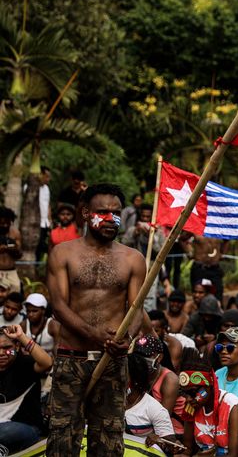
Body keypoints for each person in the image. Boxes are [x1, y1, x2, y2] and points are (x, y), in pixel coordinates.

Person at [46, 183, 145, 456]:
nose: (111, 218)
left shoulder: (133, 259)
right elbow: (59, 308)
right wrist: (99, 336)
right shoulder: (63, 253)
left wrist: (127, 338)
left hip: (112, 363)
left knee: (109, 441)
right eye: (102, 212)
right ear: (86, 213)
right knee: (62, 439)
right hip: (72, 359)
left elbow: (137, 309)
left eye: (116, 213)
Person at [179, 351, 238, 455]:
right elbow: (187, 450)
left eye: (193, 392)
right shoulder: (191, 407)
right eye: (184, 393)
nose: (188, 399)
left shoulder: (233, 408)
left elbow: (234, 455)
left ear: (209, 387)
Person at [0, 324, 53, 453]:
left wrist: (21, 337)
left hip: (26, 428)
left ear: (17, 347)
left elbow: (47, 362)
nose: (1, 353)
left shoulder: (25, 364)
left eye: (7, 348)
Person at [124, 353, 177, 452]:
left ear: (135, 380)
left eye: (122, 375)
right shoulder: (106, 401)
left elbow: (171, 447)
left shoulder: (155, 409)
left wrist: (159, 441)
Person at [186, 234, 229, 303]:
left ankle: (217, 312)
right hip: (199, 268)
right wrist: (189, 252)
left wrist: (223, 254)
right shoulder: (196, 226)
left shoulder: (218, 227)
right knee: (198, 297)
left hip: (214, 269)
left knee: (218, 297)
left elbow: (227, 239)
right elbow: (182, 239)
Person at [0, 206, 22, 294]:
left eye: (7, 223)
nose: (5, 225)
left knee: (15, 295)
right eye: (2, 223)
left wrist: (9, 248)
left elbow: (19, 254)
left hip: (11, 271)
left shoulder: (15, 233)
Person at [35, 166, 52, 261]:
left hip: (45, 222)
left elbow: (48, 204)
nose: (48, 179)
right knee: (39, 245)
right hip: (36, 222)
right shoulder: (30, 187)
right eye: (46, 176)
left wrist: (50, 220)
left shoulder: (46, 188)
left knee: (42, 244)